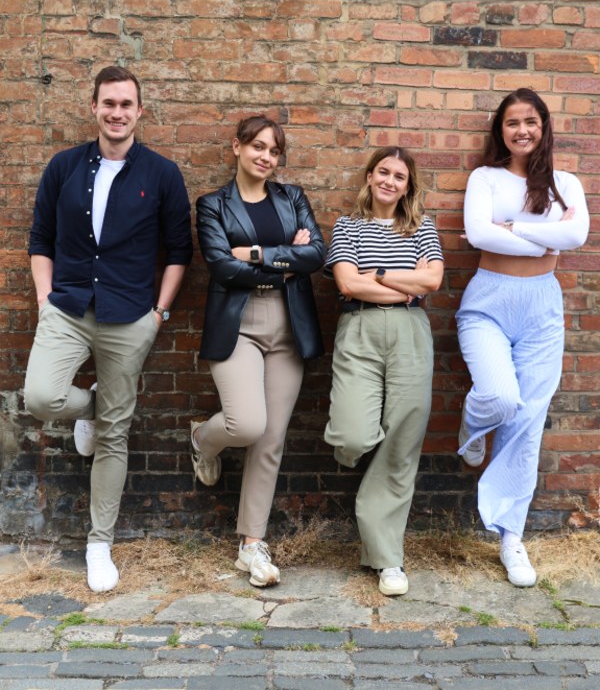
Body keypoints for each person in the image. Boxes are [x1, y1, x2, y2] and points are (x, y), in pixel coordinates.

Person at [24, 66, 193, 593]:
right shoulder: (65, 167)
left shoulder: (162, 175)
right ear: (94, 107)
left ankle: (99, 544)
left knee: (114, 434)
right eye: (108, 103)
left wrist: (158, 315)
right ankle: (94, 404)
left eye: (126, 104)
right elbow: (40, 239)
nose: (117, 113)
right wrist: (45, 300)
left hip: (130, 317)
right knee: (42, 399)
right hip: (68, 307)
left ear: (140, 111)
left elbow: (179, 252)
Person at [457, 88, 590, 588]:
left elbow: (577, 238)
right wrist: (544, 232)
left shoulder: (566, 183)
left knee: (527, 423)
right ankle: (472, 428)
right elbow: (480, 235)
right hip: (488, 302)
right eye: (511, 123)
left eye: (529, 121)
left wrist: (514, 225)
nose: (521, 131)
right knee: (499, 397)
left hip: (542, 308)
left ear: (544, 125)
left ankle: (511, 537)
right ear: (501, 131)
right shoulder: (484, 178)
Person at [193, 115, 326, 587]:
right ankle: (201, 440)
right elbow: (220, 267)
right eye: (258, 147)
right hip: (238, 325)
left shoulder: (292, 198)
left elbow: (318, 256)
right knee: (246, 424)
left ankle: (251, 544)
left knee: (270, 440)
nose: (266, 157)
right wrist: (283, 259)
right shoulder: (212, 205)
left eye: (274, 151)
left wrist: (251, 253)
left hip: (288, 326)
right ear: (236, 147)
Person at [324, 146, 444, 597]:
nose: (390, 181)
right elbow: (346, 283)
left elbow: (431, 281)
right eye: (383, 172)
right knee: (354, 435)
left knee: (401, 442)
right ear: (370, 176)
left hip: (411, 335)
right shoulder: (348, 226)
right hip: (359, 330)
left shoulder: (422, 227)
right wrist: (401, 282)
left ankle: (386, 557)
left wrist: (376, 275)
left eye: (400, 176)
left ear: (408, 185)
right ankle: (351, 448)